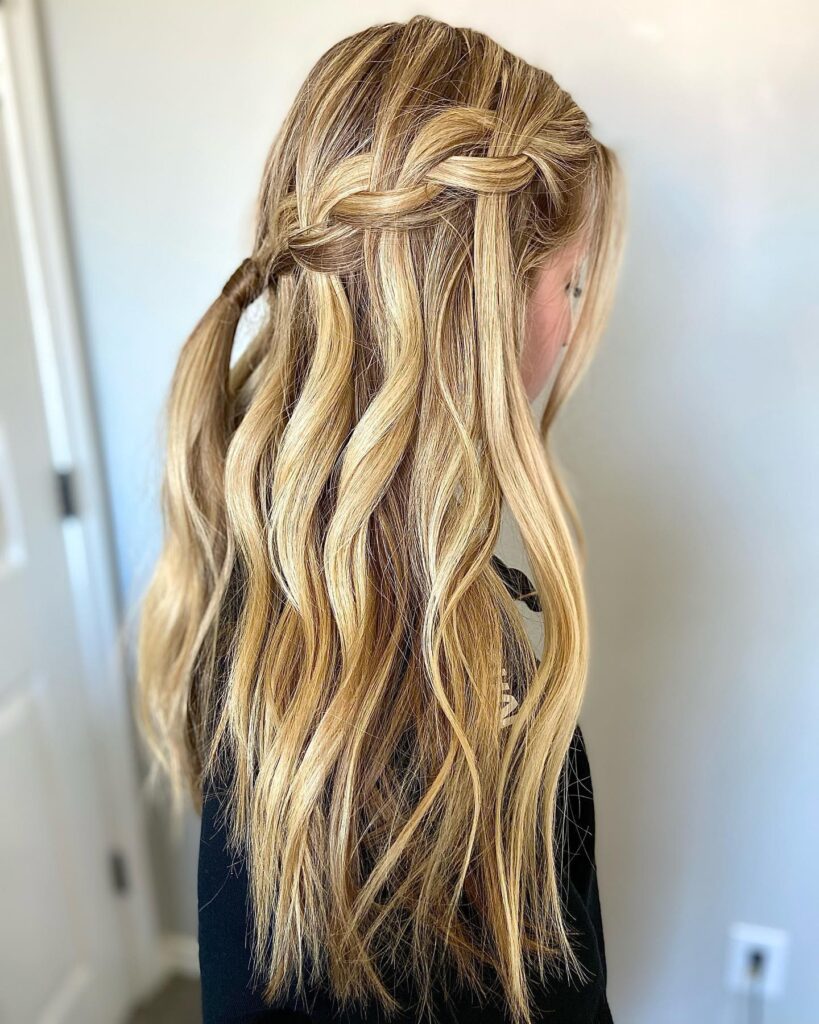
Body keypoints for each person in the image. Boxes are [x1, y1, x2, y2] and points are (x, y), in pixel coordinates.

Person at [136, 14, 626, 1024]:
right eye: (566, 282)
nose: (573, 321)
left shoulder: (256, 565)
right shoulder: (468, 717)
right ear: (479, 311)